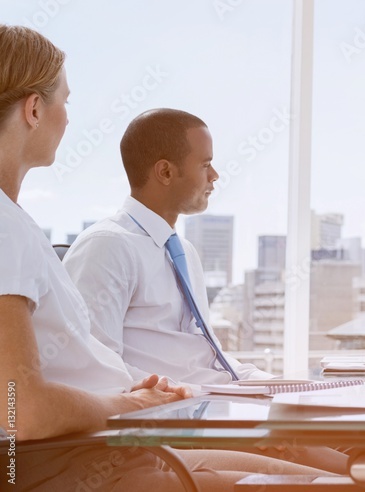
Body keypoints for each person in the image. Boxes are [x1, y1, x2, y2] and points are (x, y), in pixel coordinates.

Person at [0, 25, 329, 490]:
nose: (68, 119)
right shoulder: (11, 228)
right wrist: (129, 404)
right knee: (338, 480)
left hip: (120, 441)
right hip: (85, 458)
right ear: (34, 109)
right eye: (65, 102)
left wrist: (137, 399)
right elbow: (20, 410)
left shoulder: (17, 224)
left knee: (341, 472)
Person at [63, 108, 349, 474]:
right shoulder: (107, 247)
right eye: (205, 165)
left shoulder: (183, 252)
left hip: (223, 408)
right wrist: (211, 401)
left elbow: (209, 359)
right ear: (165, 172)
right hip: (185, 419)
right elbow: (97, 369)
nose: (215, 176)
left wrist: (285, 387)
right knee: (345, 477)